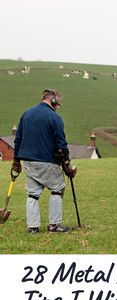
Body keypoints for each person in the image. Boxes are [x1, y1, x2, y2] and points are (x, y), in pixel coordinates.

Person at [12, 89, 77, 234]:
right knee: (57, 189)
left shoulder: (26, 114)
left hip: (28, 162)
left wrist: (16, 160)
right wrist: (67, 163)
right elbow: (61, 143)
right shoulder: (54, 117)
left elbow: (18, 139)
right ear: (52, 100)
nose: (57, 107)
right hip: (47, 162)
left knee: (33, 194)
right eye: (58, 104)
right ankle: (54, 225)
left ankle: (32, 227)